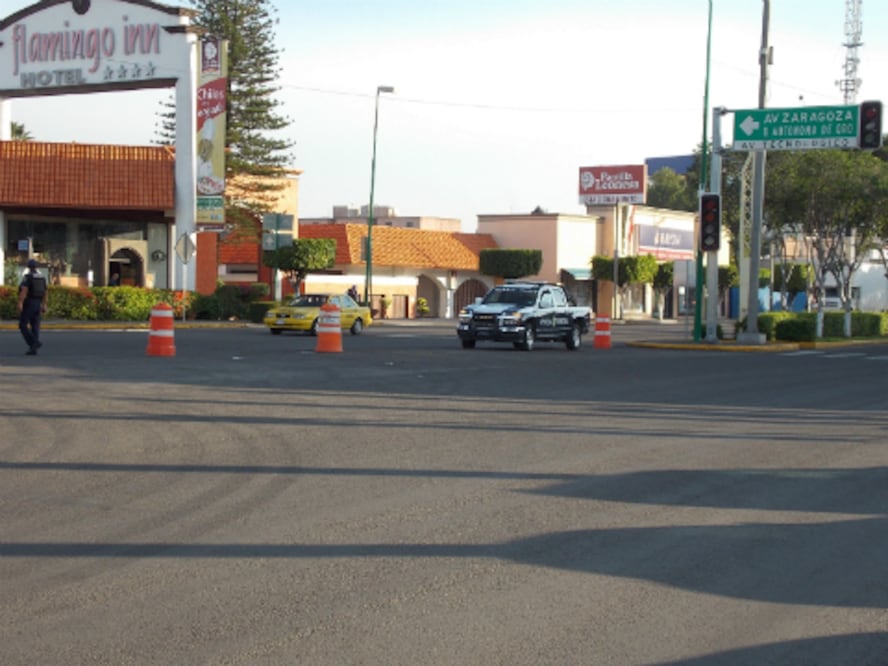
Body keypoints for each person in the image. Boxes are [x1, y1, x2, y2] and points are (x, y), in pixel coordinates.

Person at [18, 259, 48, 356]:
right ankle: (33, 349)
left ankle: (33, 343)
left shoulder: (28, 277)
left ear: (28, 267)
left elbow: (24, 290)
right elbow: (45, 292)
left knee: (23, 324)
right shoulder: (42, 278)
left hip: (29, 303)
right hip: (38, 303)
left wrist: (20, 302)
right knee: (35, 326)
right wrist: (44, 304)